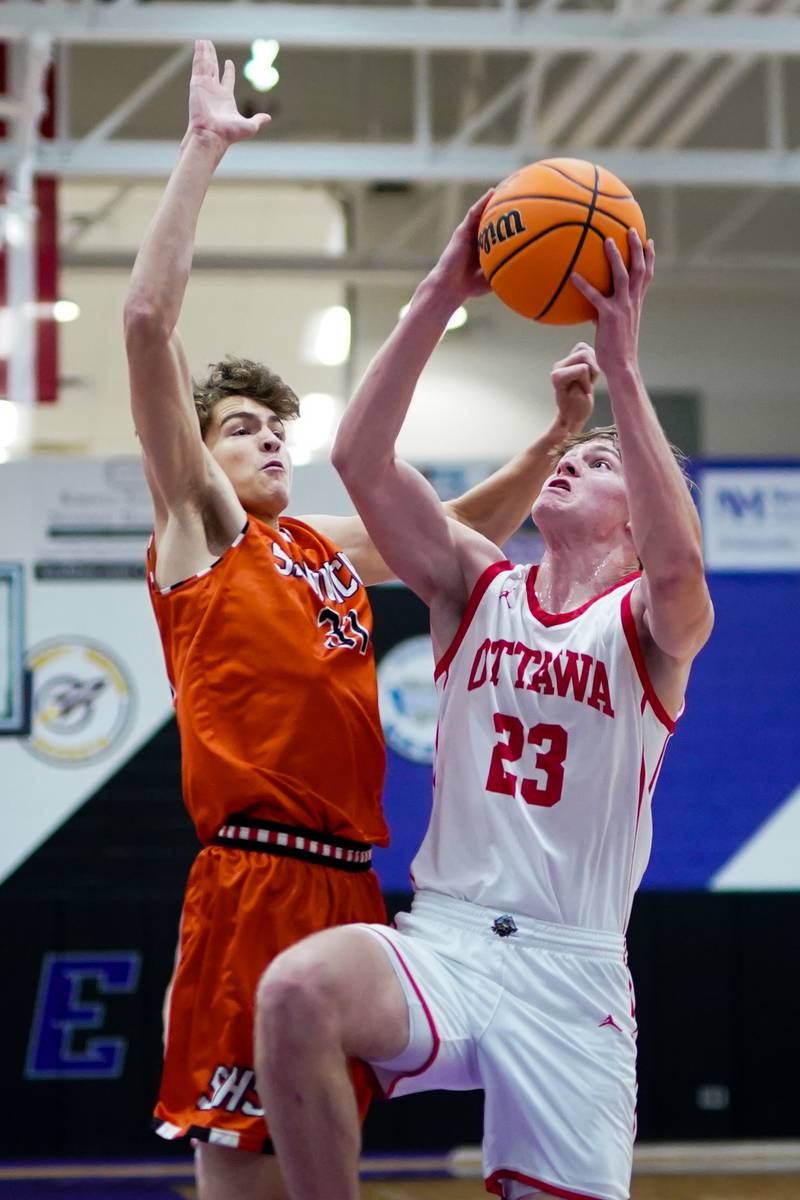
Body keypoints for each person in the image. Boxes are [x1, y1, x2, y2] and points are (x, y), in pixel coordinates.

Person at [123, 42, 598, 1200]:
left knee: (327, 1172)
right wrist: (202, 148)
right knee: (245, 1174)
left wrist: (545, 445)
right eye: (239, 426)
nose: (266, 439)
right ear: (199, 452)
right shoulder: (200, 528)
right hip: (253, 874)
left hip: (350, 885)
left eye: (274, 426)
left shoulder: (315, 547)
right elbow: (144, 321)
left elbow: (444, 537)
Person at [254, 199, 714, 1200]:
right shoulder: (475, 584)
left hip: (570, 973)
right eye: (572, 451)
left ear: (631, 520)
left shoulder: (647, 626)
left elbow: (681, 568)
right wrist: (439, 291)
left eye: (597, 465)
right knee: (296, 991)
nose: (570, 463)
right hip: (449, 940)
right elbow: (363, 460)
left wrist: (623, 372)